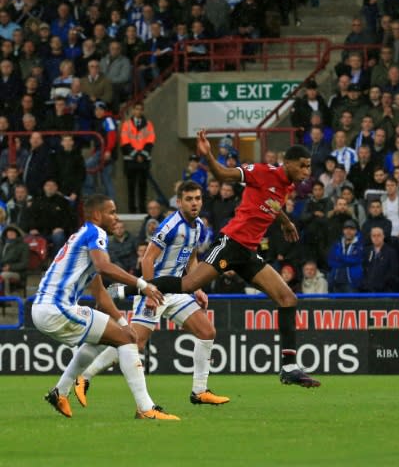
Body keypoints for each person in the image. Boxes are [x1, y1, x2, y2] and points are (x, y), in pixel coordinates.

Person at [123, 131, 320, 388]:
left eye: (309, 167)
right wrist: (209, 155)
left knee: (287, 298)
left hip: (249, 252)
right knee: (189, 285)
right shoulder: (262, 171)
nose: (307, 172)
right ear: (290, 163)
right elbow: (224, 176)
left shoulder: (286, 184)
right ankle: (130, 287)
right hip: (231, 243)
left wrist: (285, 221)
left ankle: (289, 367)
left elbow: (272, 201)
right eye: (303, 166)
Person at [74, 182, 230, 407]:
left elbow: (192, 259)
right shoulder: (170, 226)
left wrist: (197, 287)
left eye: (197, 198)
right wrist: (149, 291)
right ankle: (84, 377)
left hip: (177, 291)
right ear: (179, 202)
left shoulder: (198, 227)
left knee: (207, 331)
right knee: (134, 343)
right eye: (189, 199)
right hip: (155, 289)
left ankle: (199, 390)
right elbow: (147, 259)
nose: (194, 202)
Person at [31, 194, 177, 420]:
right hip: (56, 308)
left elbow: (100, 295)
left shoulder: (81, 239)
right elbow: (104, 266)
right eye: (112, 212)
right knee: (126, 340)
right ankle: (146, 408)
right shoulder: (94, 233)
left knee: (110, 337)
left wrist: (122, 323)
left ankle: (60, 393)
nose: (116, 218)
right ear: (97, 215)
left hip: (44, 309)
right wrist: (143, 284)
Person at [120, 102, 155, 213]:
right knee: (131, 186)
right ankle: (132, 210)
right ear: (133, 110)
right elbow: (124, 142)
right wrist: (136, 155)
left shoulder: (148, 124)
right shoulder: (126, 124)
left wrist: (142, 155)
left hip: (144, 161)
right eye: (136, 109)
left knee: (143, 186)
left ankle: (142, 209)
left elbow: (151, 140)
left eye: (140, 109)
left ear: (142, 110)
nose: (138, 111)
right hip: (130, 161)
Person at [328, 219, 364, 293]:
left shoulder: (360, 244)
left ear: (356, 231)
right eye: (346, 228)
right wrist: (346, 261)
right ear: (343, 230)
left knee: (352, 304)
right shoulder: (337, 243)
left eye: (351, 229)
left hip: (352, 283)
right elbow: (331, 261)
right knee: (335, 304)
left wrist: (340, 257)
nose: (348, 231)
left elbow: (356, 260)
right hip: (336, 281)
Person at [360, 226, 399, 293]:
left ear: (383, 236)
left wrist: (381, 284)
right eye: (374, 236)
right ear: (371, 237)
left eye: (379, 235)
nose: (376, 238)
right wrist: (366, 284)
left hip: (385, 291)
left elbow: (393, 271)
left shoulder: (391, 252)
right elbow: (363, 269)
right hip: (368, 290)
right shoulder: (366, 251)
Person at [0, 224, 29, 296]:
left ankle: (6, 299)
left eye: (13, 231)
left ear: (17, 233)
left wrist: (10, 267)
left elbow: (24, 263)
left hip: (17, 273)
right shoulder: (2, 245)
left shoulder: (23, 246)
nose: (10, 233)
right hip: (1, 269)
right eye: (9, 231)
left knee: (3, 275)